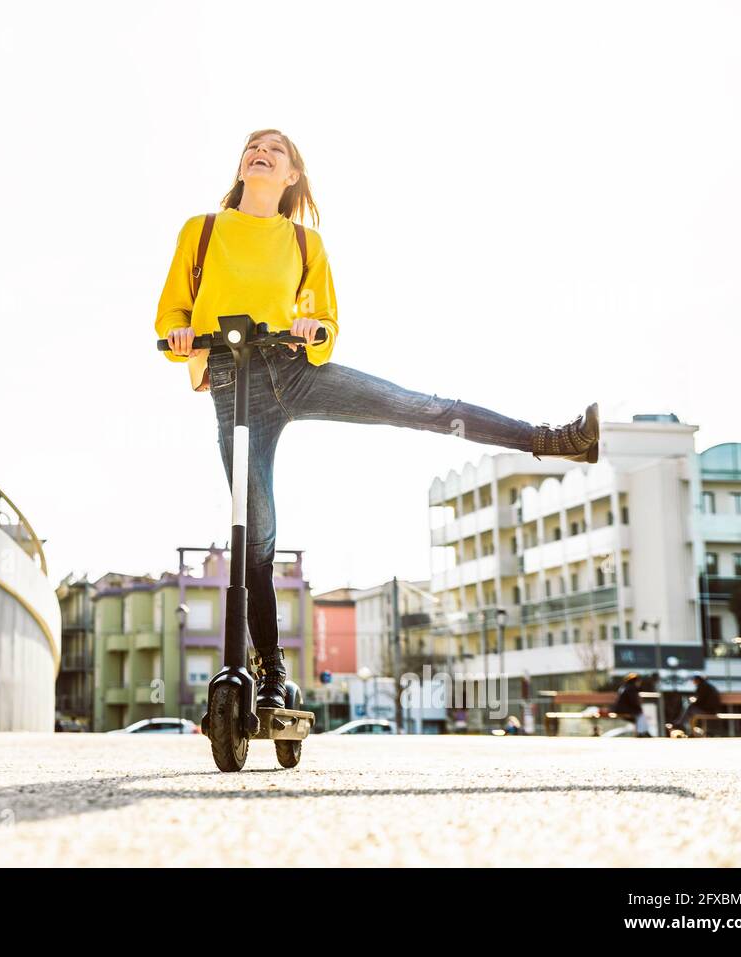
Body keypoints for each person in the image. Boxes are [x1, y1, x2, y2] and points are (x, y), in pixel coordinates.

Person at [155, 129, 600, 710]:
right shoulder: (203, 230)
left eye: (275, 149)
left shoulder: (304, 242)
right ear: (241, 165)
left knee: (420, 407)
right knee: (254, 534)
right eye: (251, 147)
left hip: (294, 371)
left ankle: (553, 441)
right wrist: (178, 334)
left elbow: (324, 319)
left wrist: (314, 331)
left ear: (292, 175)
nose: (259, 151)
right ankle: (267, 672)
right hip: (230, 383)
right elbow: (171, 314)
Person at [612, 672, 649, 736]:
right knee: (640, 714)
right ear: (636, 681)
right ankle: (642, 733)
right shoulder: (631, 688)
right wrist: (639, 709)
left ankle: (642, 732)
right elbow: (633, 702)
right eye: (639, 681)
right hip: (624, 710)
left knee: (639, 715)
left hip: (619, 709)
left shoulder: (624, 687)